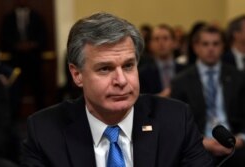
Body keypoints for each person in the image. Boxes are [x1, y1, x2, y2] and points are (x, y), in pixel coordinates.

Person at [21, 12, 213, 167]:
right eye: (105, 69)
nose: (121, 81)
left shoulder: (176, 120)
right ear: (77, 74)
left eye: (128, 66)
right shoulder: (44, 131)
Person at [171, 25, 245, 166]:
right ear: (195, 47)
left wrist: (240, 139)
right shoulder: (181, 81)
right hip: (198, 145)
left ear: (223, 46)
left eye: (216, 44)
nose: (211, 48)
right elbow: (177, 122)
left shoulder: (238, 77)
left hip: (235, 142)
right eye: (205, 44)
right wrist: (201, 141)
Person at [0, 0, 47, 113]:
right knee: (16, 90)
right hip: (16, 60)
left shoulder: (36, 17)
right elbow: (4, 38)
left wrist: (31, 45)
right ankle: (14, 118)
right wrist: (17, 46)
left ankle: (42, 114)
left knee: (38, 90)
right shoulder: (8, 18)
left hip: (34, 59)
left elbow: (43, 37)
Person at [139, 24, 186, 97]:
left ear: (174, 42)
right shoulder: (143, 74)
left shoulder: (185, 70)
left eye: (165, 38)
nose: (161, 43)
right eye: (156, 39)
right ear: (150, 45)